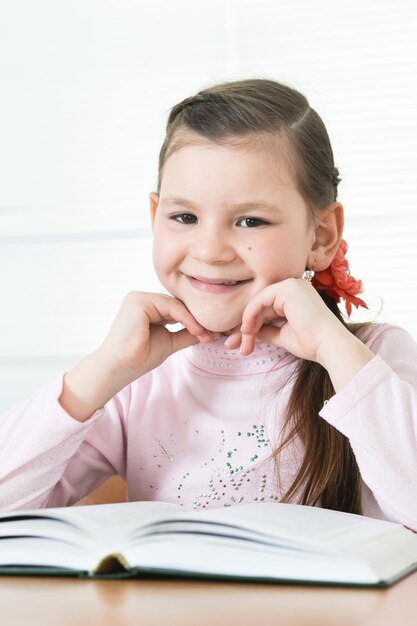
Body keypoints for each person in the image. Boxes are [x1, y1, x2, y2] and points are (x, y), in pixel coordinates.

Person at [1, 79, 417, 530]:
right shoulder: (139, 382)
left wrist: (336, 350)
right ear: (154, 217)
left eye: (250, 220)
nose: (210, 249)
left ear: (321, 237)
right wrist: (101, 370)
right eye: (184, 217)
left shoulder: (374, 359)